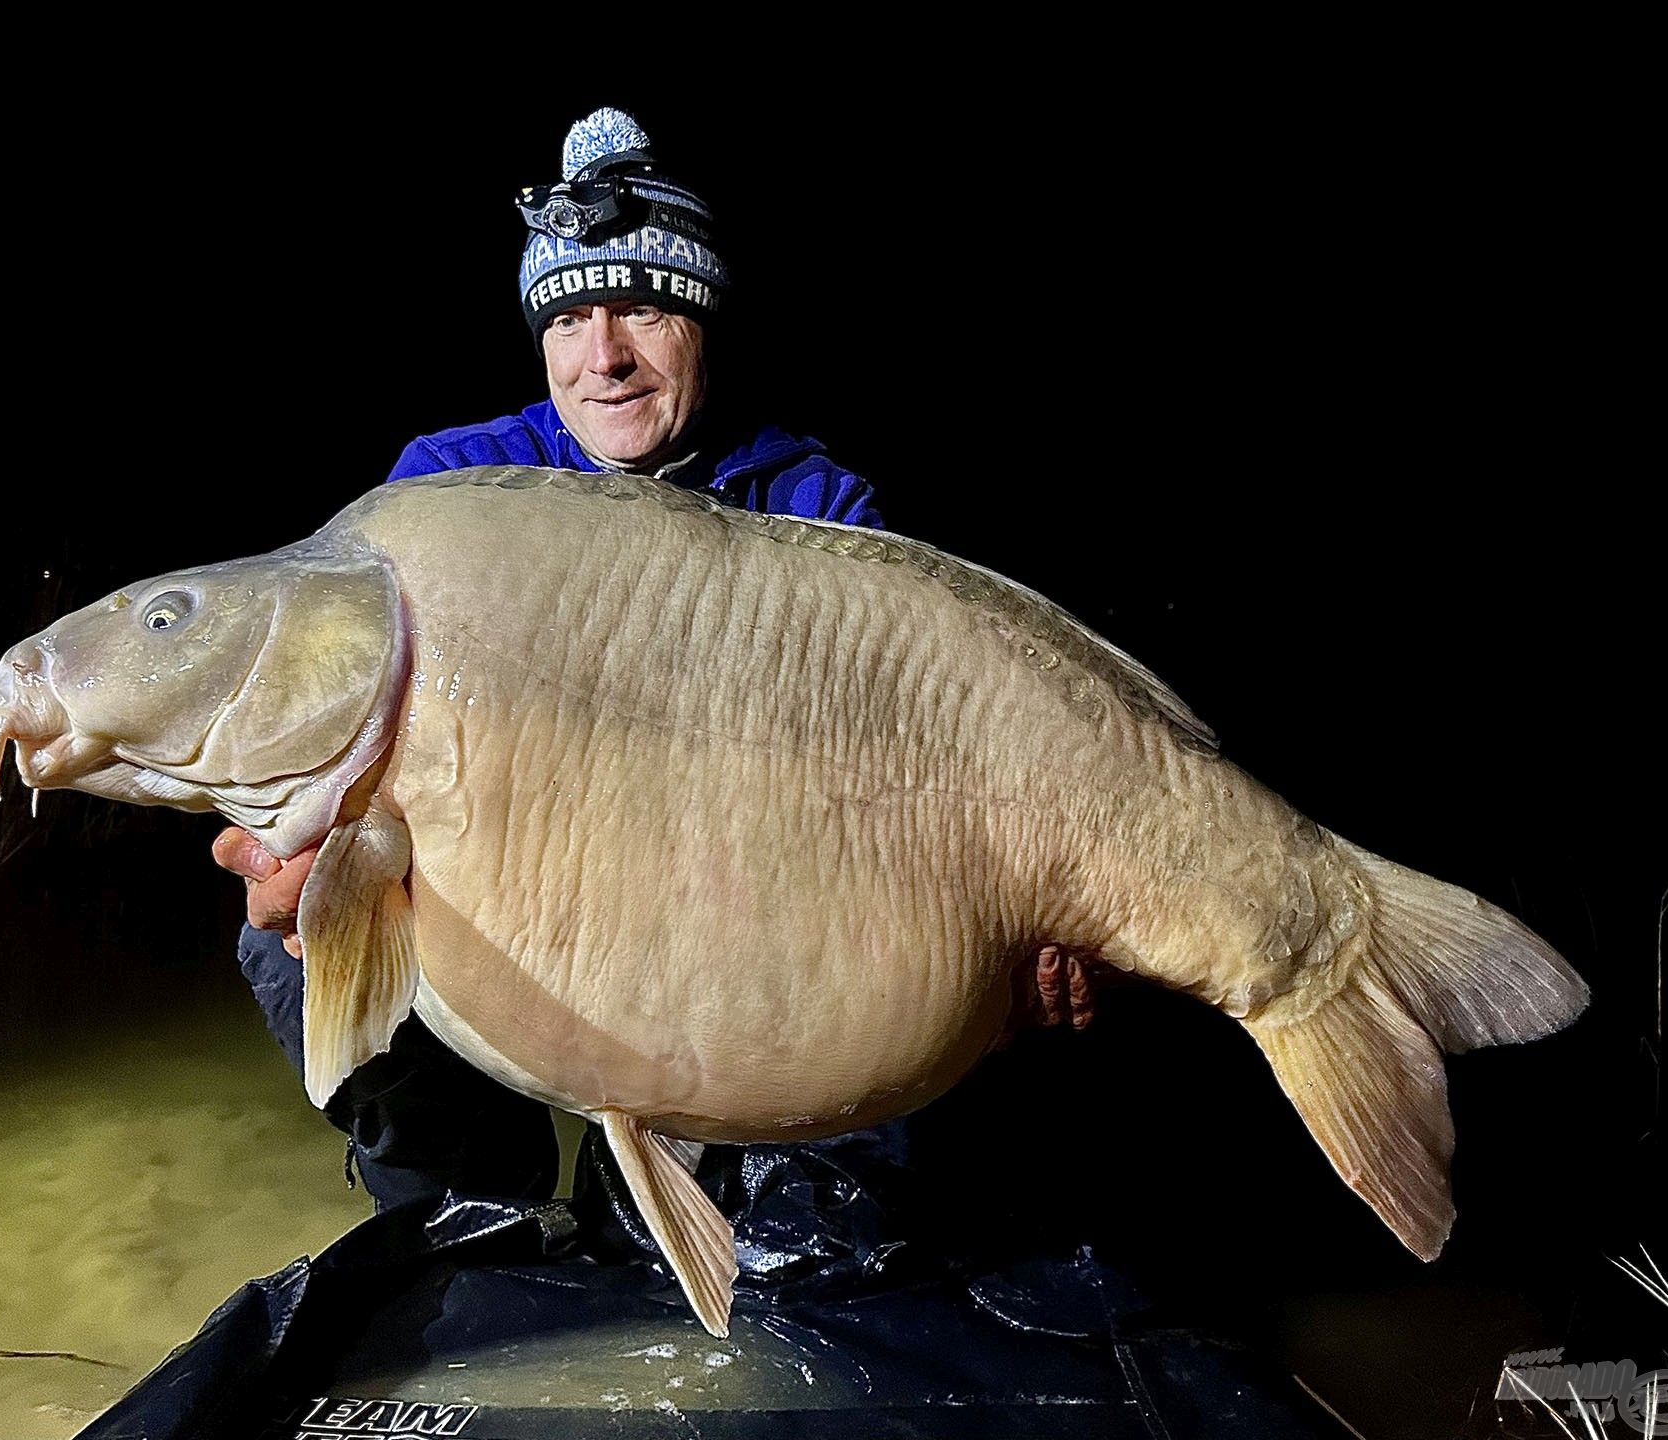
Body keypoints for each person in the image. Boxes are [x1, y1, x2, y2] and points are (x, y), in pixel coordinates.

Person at [213, 108, 1088, 1262]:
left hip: (748, 933)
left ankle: (763, 1209)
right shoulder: (448, 490)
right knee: (289, 937)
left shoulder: (815, 509)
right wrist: (299, 856)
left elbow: (927, 780)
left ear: (703, 321)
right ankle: (477, 1226)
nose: (604, 355)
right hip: (508, 935)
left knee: (865, 1140)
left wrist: (1008, 932)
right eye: (570, 317)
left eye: (643, 309)